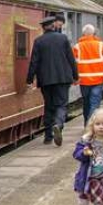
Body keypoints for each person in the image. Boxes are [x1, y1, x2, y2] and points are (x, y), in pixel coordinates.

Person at [26, 15, 78, 146]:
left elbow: (34, 62)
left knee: (49, 106)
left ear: (43, 28)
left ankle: (48, 137)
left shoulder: (38, 41)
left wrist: (29, 79)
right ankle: (58, 125)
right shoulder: (63, 38)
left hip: (46, 80)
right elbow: (71, 59)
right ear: (53, 26)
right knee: (61, 105)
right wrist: (75, 74)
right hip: (62, 78)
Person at [73, 24, 103, 125]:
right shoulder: (101, 45)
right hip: (98, 80)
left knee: (86, 103)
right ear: (94, 33)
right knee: (94, 104)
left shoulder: (77, 47)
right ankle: (89, 126)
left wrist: (74, 79)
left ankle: (86, 123)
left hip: (83, 81)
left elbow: (73, 64)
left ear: (83, 34)